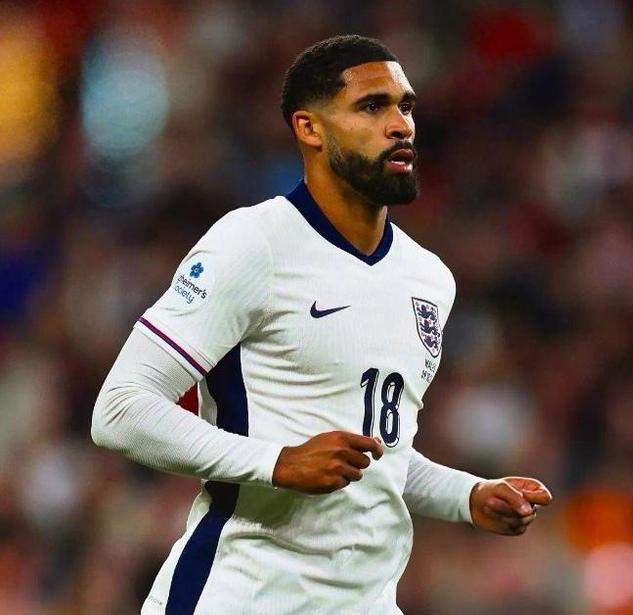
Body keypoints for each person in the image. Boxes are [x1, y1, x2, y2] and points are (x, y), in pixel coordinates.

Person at [92, 34, 552, 615]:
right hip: (242, 595)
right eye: (372, 107)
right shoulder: (253, 244)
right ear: (309, 128)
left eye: (406, 106)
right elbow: (121, 410)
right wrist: (277, 462)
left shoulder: (429, 279)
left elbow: (381, 458)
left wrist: (468, 494)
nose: (401, 125)